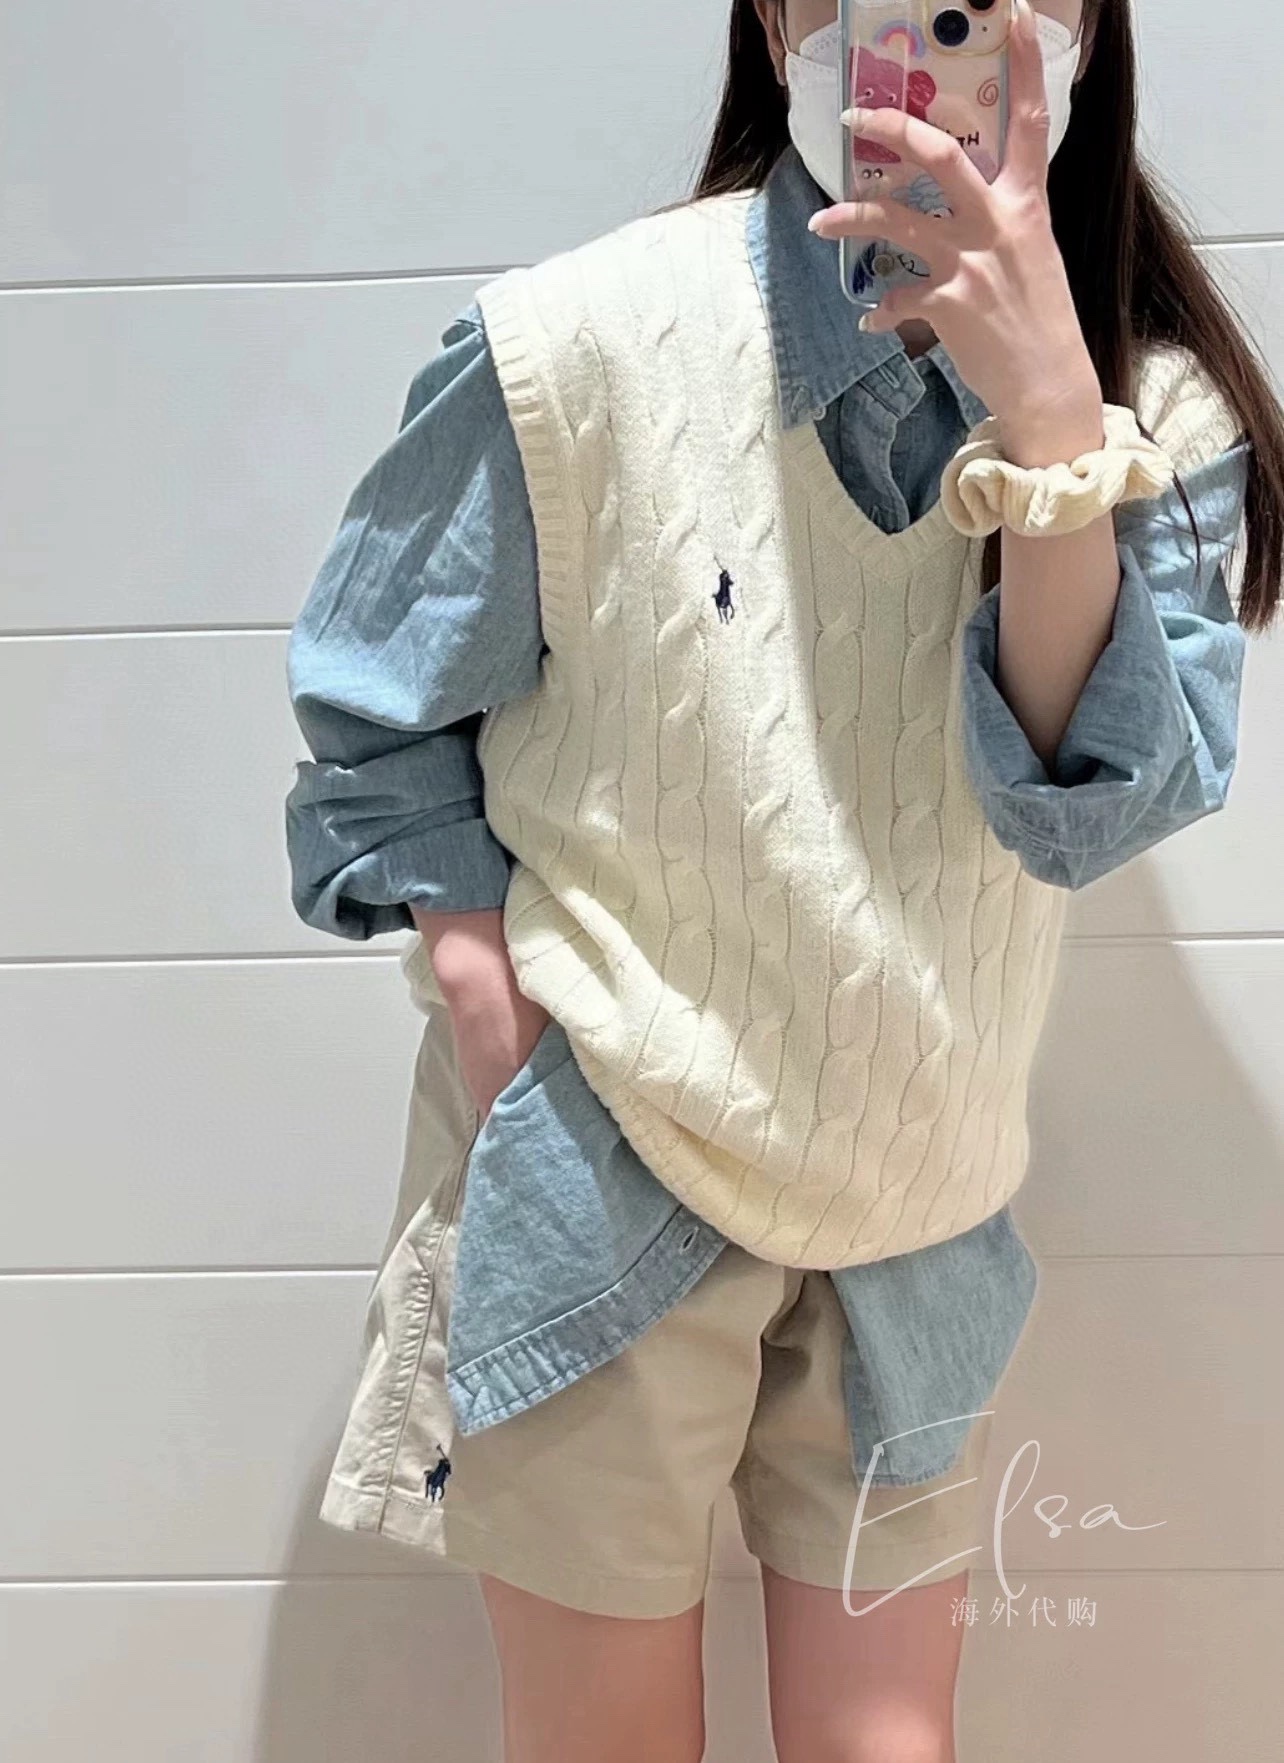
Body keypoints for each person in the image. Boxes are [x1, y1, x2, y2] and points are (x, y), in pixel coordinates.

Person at [283, 2, 1284, 1758]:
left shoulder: (1154, 404)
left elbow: (1082, 810)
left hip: (917, 1188)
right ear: (774, 16)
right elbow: (379, 703)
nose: (938, 18)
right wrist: (487, 998)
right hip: (605, 1162)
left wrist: (1056, 422)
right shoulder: (576, 346)